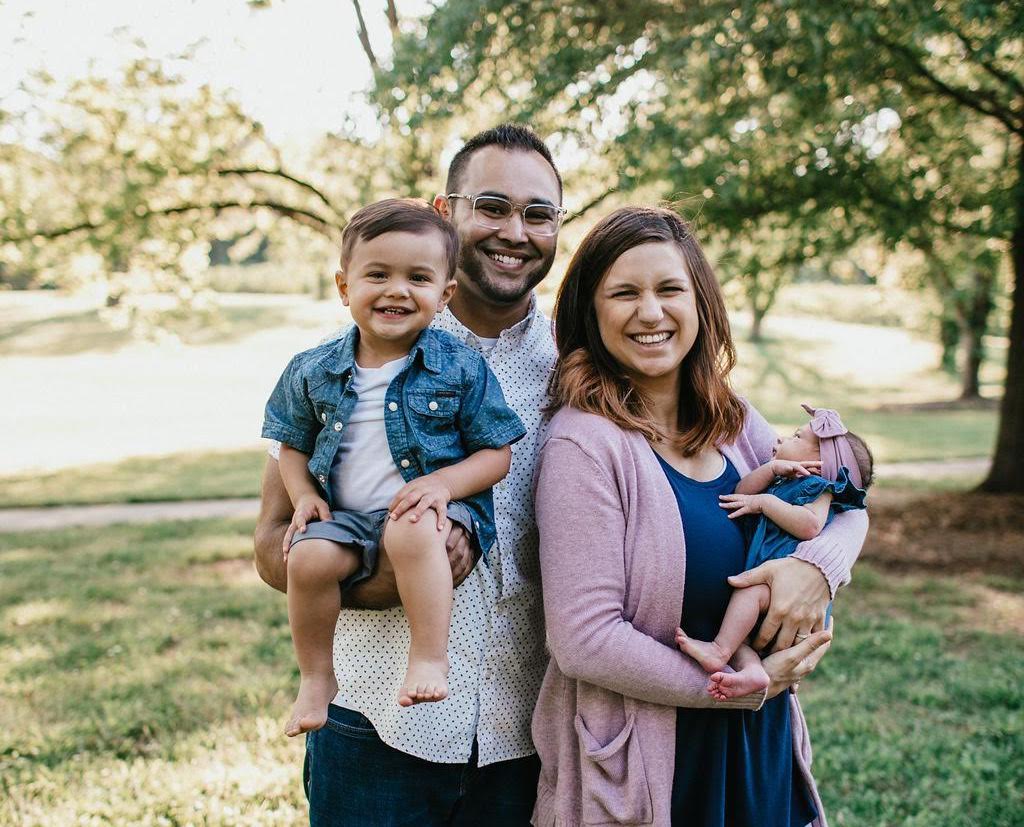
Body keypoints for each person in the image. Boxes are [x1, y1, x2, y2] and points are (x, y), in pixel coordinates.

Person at [254, 124, 564, 826]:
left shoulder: (578, 366)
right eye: (492, 206)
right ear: (446, 211)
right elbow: (273, 547)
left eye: (538, 213)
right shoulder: (346, 362)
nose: (515, 232)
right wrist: (390, 573)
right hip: (373, 725)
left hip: (529, 735)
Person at [532, 206, 869, 826]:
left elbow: (849, 504)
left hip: (758, 743)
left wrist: (818, 569)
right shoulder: (584, 444)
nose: (651, 312)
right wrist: (732, 690)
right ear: (590, 312)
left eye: (670, 289)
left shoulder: (732, 420)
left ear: (700, 303)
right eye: (624, 293)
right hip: (654, 763)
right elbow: (584, 641)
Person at [262, 198, 526, 734]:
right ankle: (316, 677)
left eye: (418, 278)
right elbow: (290, 443)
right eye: (378, 275)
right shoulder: (313, 368)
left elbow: (497, 452)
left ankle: (428, 657)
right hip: (346, 520)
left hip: (423, 510)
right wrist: (305, 496)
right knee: (308, 558)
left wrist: (442, 485)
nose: (397, 290)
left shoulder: (459, 366)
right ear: (344, 287)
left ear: (444, 294)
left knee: (412, 530)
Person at [679, 404, 873, 700]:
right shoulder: (782, 479)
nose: (780, 439)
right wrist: (769, 470)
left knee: (749, 593)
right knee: (743, 630)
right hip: (770, 583)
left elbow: (809, 525)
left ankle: (719, 649)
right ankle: (753, 672)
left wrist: (765, 503)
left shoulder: (819, 488)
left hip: (781, 587)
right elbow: (741, 493)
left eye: (796, 436)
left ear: (820, 462)